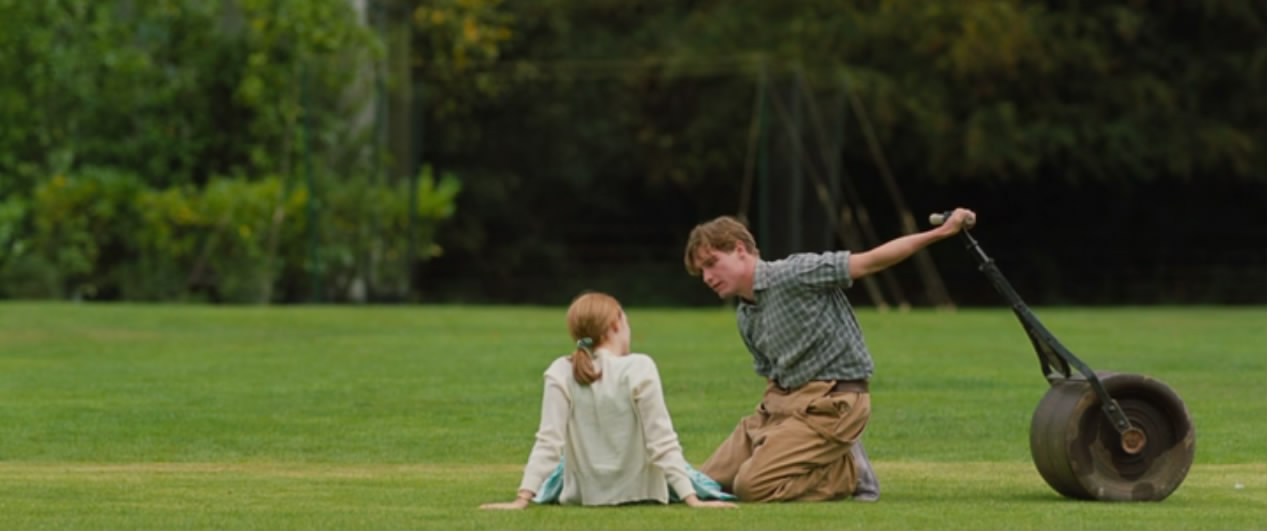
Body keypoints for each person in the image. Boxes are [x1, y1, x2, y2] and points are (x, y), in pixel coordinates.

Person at [682, 207, 977, 503]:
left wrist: (942, 232)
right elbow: (772, 376)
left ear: (740, 250)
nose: (707, 277)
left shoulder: (795, 273)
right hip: (782, 408)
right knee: (703, 483)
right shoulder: (745, 316)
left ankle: (848, 472)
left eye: (712, 263)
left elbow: (870, 261)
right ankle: (825, 456)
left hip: (834, 404)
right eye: (701, 272)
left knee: (750, 486)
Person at [481, 291, 738, 510]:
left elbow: (549, 441)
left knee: (563, 463)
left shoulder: (561, 370)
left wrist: (522, 498)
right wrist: (691, 499)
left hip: (583, 493)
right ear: (616, 324)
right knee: (698, 476)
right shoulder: (639, 367)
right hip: (639, 490)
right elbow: (661, 439)